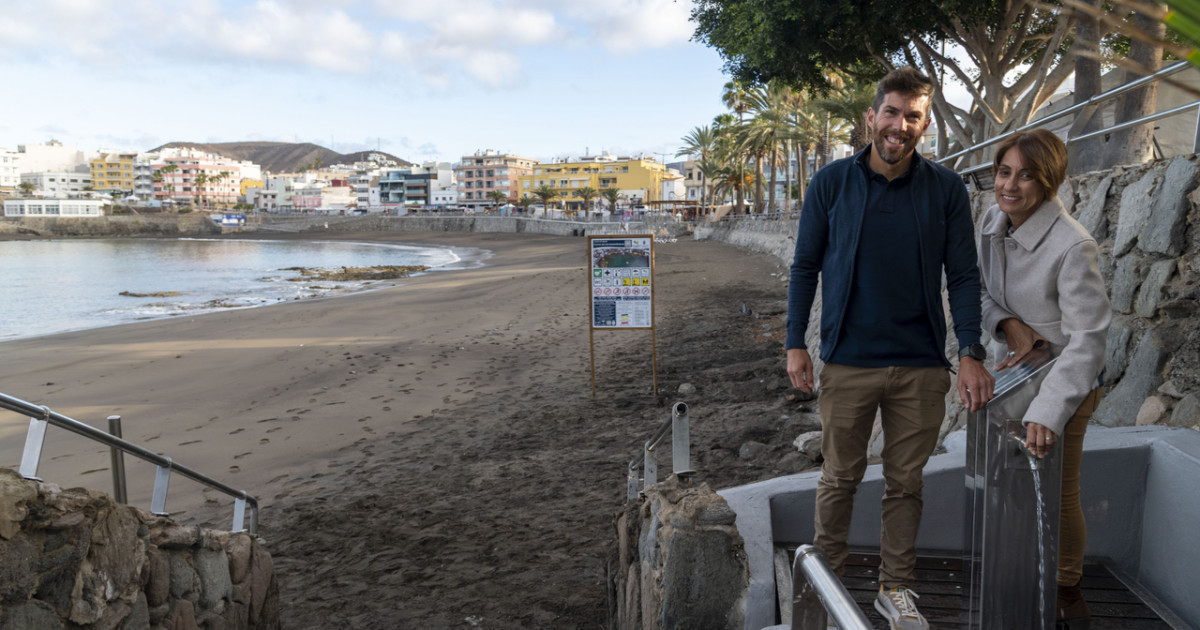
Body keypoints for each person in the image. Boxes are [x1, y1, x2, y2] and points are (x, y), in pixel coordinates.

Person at [785, 66, 995, 630]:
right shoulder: (831, 183)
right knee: (838, 479)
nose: (900, 125)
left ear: (924, 124)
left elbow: (965, 277)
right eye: (892, 112)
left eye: (913, 116)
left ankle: (894, 589)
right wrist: (794, 345)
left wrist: (970, 350)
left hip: (922, 365)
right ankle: (824, 582)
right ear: (871, 116)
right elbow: (805, 267)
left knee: (906, 485)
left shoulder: (946, 190)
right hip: (849, 360)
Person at [977, 128, 1110, 628]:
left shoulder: (1073, 246)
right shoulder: (994, 221)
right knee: (1013, 490)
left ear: (1049, 182)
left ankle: (1066, 589)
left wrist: (1047, 412)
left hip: (1065, 386)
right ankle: (1025, 576)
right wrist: (1011, 327)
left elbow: (1088, 340)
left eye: (1027, 175)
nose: (1011, 185)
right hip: (1020, 374)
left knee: (1060, 493)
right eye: (1004, 171)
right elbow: (981, 294)